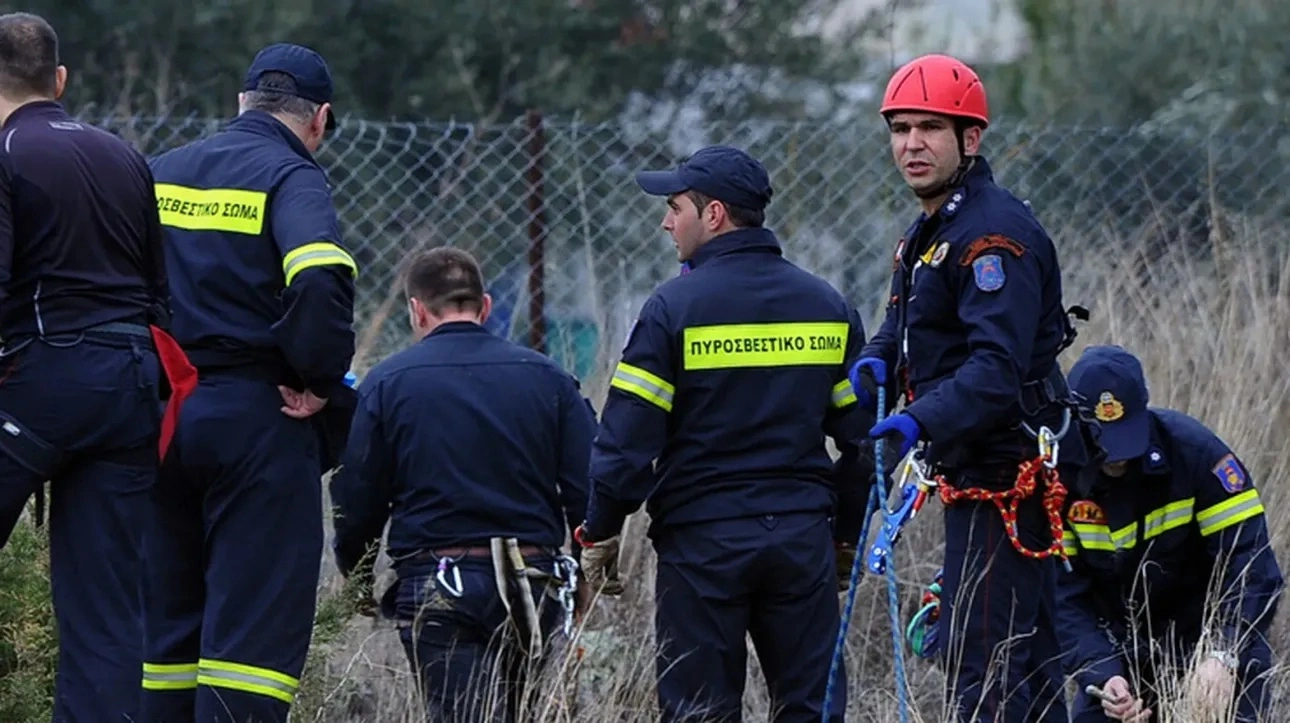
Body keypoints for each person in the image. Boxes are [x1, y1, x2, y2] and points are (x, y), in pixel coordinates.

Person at [574, 145, 877, 723]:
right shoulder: (826, 305)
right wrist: (843, 535)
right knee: (810, 709)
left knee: (699, 713)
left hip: (703, 547)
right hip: (800, 540)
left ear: (713, 215)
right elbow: (865, 442)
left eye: (675, 207)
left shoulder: (671, 309)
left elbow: (627, 443)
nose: (667, 222)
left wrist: (602, 530)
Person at [847, 53, 1100, 722]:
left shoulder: (993, 236)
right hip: (977, 461)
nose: (911, 145)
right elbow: (902, 321)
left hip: (1006, 468)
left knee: (981, 656)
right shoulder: (932, 229)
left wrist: (918, 420)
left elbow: (995, 368)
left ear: (971, 138)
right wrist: (876, 359)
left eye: (930, 127)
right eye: (900, 128)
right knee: (1032, 656)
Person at [140, 42, 358, 723]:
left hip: (158, 415)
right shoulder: (292, 178)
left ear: (240, 104)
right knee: (250, 650)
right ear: (318, 120)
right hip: (258, 420)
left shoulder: (159, 171)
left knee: (162, 637)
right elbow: (320, 276)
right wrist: (320, 378)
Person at [0, 12, 197, 720]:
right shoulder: (123, 155)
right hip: (134, 391)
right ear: (59, 79)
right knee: (106, 616)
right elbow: (158, 293)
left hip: (44, 382)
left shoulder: (7, 151)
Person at [329, 246, 594, 722]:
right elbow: (588, 488)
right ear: (485, 306)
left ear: (417, 310)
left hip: (438, 585)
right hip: (531, 582)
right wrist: (585, 567)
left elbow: (357, 494)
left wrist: (359, 572)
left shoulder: (387, 384)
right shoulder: (549, 380)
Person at [1057, 344, 1283, 722]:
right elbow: (1061, 597)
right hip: (1119, 649)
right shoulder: (1056, 481)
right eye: (1102, 447)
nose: (1115, 460)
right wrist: (1102, 672)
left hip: (1208, 640)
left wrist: (1222, 654)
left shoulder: (1198, 456)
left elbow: (1252, 566)